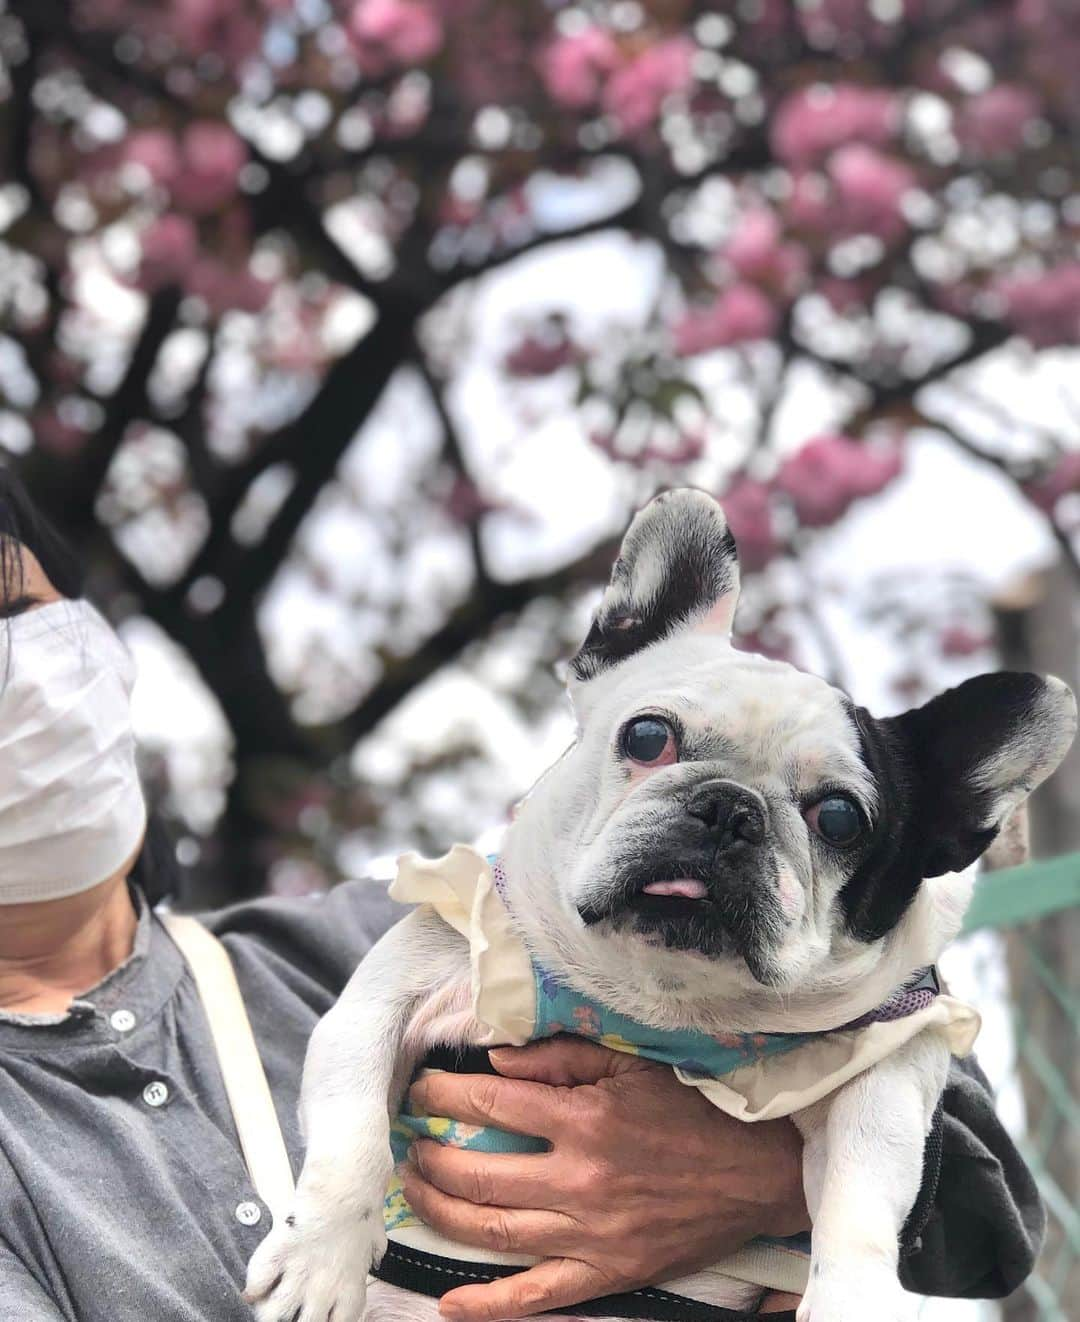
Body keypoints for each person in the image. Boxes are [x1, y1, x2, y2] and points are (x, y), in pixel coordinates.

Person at [0, 468, 1045, 1322]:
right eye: (654, 744)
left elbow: (992, 1225)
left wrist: (766, 1176)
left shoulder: (393, 930)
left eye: (14, 610)